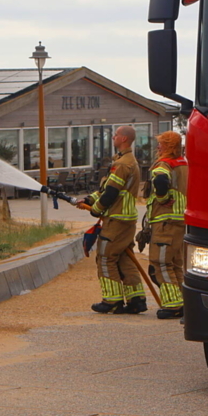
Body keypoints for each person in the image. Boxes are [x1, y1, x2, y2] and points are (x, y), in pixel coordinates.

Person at [77, 125, 145, 314]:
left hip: (116, 219)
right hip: (125, 219)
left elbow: (111, 193)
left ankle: (112, 301)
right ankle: (136, 300)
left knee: (105, 257)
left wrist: (96, 209)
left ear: (124, 139)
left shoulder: (122, 164)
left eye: (116, 135)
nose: (113, 137)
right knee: (124, 257)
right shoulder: (126, 161)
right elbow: (106, 189)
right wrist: (89, 200)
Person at [146, 131, 188, 319]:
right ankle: (183, 301)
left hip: (165, 220)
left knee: (160, 262)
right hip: (180, 219)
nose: (158, 147)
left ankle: (172, 305)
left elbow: (160, 180)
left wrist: (162, 199)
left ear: (168, 146)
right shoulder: (184, 164)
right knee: (176, 263)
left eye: (161, 144)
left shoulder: (164, 164)